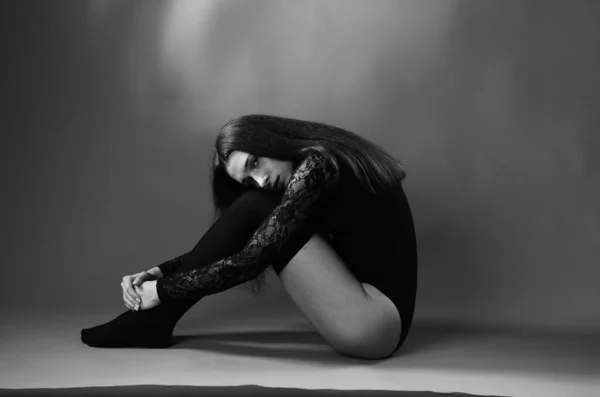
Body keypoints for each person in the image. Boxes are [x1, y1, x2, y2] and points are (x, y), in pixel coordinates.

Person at [81, 114, 418, 360]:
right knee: (262, 208)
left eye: (256, 163)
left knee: (258, 207)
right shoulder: (321, 163)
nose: (261, 179)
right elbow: (248, 243)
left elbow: (250, 260)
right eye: (248, 178)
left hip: (373, 324)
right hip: (373, 320)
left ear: (269, 141)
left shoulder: (317, 167)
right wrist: (161, 272)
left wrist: (162, 291)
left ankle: (152, 324)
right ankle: (152, 324)